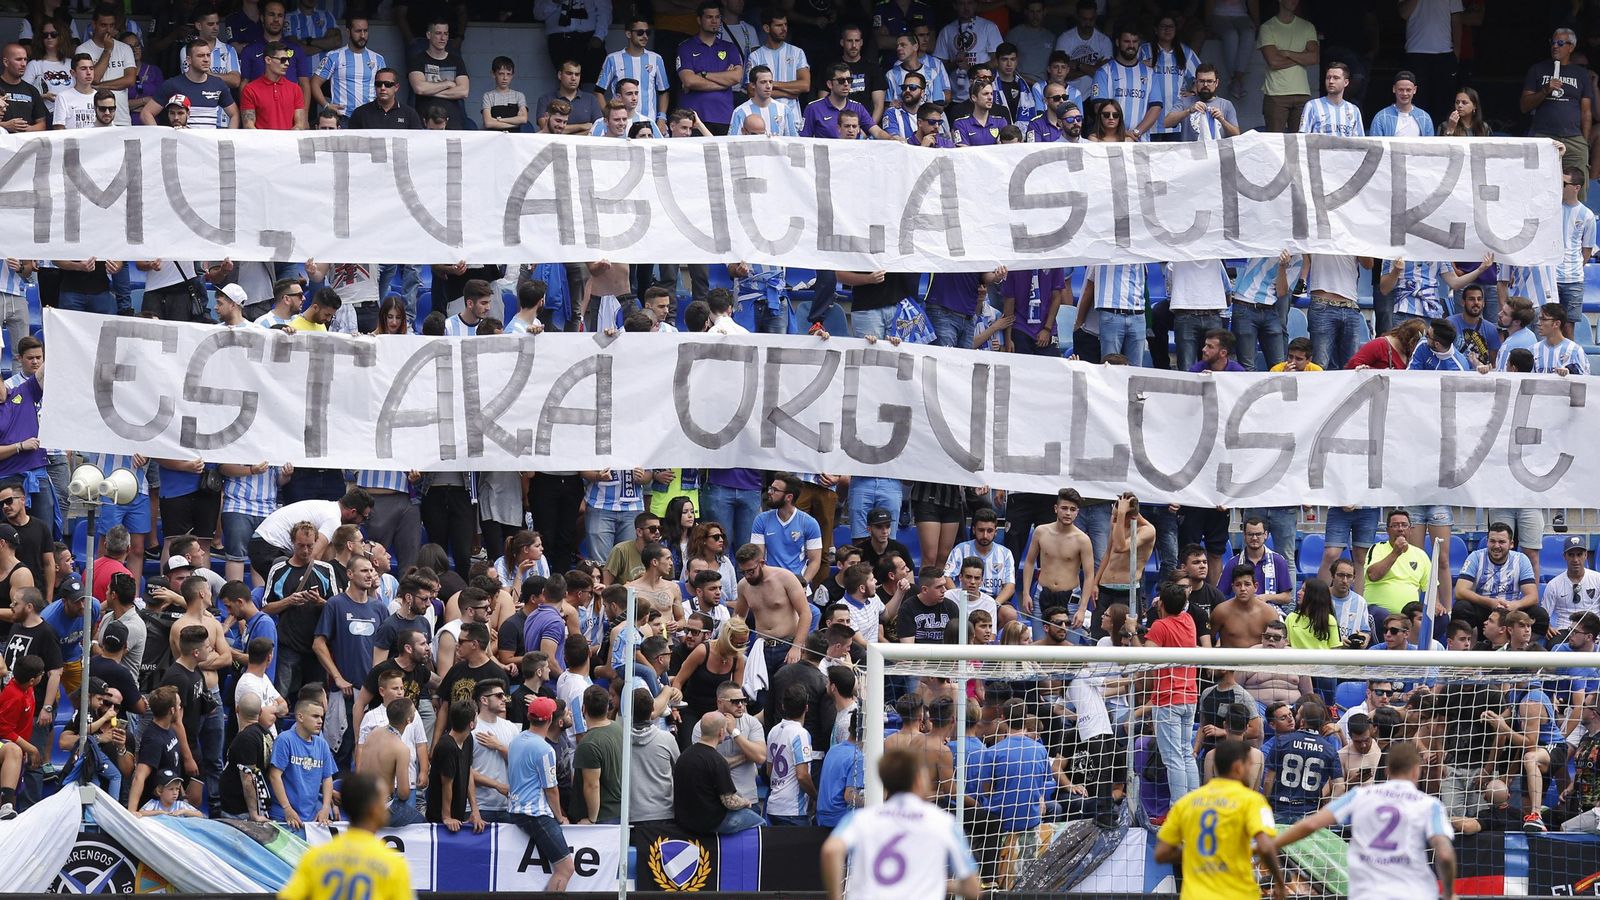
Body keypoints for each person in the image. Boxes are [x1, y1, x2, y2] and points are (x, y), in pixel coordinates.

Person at [1274, 742, 1456, 900]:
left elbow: (1311, 824)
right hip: (1415, 892)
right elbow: (1445, 854)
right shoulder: (1430, 805)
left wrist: (1271, 844)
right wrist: (1448, 893)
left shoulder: (1360, 796)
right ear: (1418, 770)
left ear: (1387, 771)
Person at [820, 748, 980, 900]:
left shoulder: (861, 819)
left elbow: (831, 850)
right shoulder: (943, 822)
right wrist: (935, 881)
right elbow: (973, 888)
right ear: (918, 780)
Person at [1155, 737, 1285, 898]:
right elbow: (1266, 847)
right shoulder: (1252, 801)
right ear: (1238, 767)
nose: (1250, 769)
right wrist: (1280, 882)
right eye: (1249, 765)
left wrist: (1196, 853)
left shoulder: (1186, 802)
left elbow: (1161, 853)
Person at [278, 771, 413, 900]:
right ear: (374, 810)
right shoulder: (393, 865)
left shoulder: (314, 858)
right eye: (384, 800)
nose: (387, 805)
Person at [507, 696, 574, 890]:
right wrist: (559, 817)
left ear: (529, 716)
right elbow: (551, 789)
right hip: (535, 813)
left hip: (517, 809)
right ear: (550, 719)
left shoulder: (516, 740)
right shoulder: (544, 749)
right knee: (566, 868)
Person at [269, 698, 336, 829]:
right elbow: (274, 776)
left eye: (321, 717)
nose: (320, 721)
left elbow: (327, 778)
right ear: (300, 717)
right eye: (315, 716)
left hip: (311, 818)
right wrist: (287, 808)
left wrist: (326, 807)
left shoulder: (322, 744)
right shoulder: (285, 739)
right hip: (283, 817)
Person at [1257, 0, 1318, 133]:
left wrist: (1287, 53)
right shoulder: (1267, 27)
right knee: (1274, 143)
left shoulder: (1307, 26)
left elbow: (1314, 58)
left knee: (1300, 143)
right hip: (1276, 94)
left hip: (1302, 93)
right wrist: (1302, 57)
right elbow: (1273, 62)